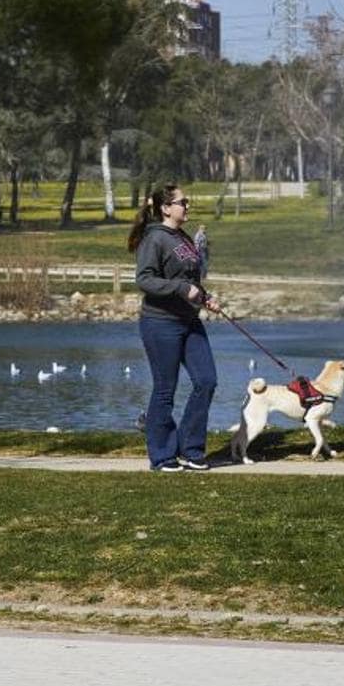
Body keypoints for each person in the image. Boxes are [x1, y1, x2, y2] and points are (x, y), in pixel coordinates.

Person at [128, 184, 222, 472]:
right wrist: (182, 288)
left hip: (188, 321)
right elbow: (144, 280)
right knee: (165, 390)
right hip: (160, 323)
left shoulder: (182, 238)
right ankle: (162, 455)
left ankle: (191, 450)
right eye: (182, 202)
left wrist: (205, 297)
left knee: (206, 381)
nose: (187, 206)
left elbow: (190, 278)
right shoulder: (154, 238)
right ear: (166, 208)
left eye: (187, 201)